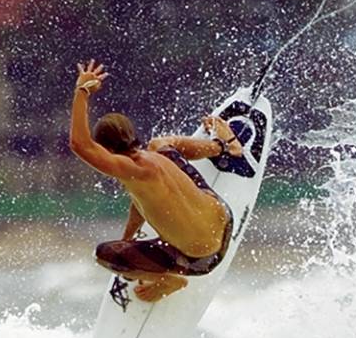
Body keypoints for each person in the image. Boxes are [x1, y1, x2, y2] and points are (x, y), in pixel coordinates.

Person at [69, 59, 244, 303]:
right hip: (224, 217)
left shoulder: (129, 169)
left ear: (106, 150)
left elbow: (79, 144)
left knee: (105, 254)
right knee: (162, 143)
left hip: (202, 259)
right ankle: (223, 146)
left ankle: (169, 281)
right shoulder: (149, 158)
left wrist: (82, 91)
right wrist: (128, 238)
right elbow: (139, 200)